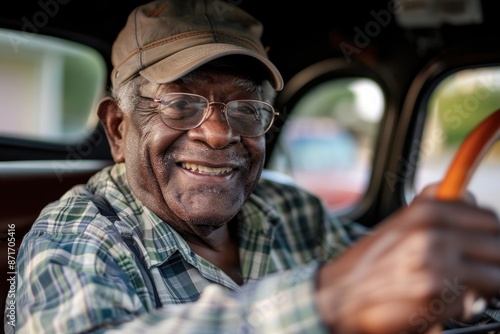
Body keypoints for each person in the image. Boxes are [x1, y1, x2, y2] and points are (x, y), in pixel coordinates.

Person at [10, 0, 500, 333]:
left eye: (246, 109)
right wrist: (329, 299)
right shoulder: (73, 237)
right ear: (118, 129)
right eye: (180, 105)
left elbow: (408, 286)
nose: (220, 133)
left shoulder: (290, 208)